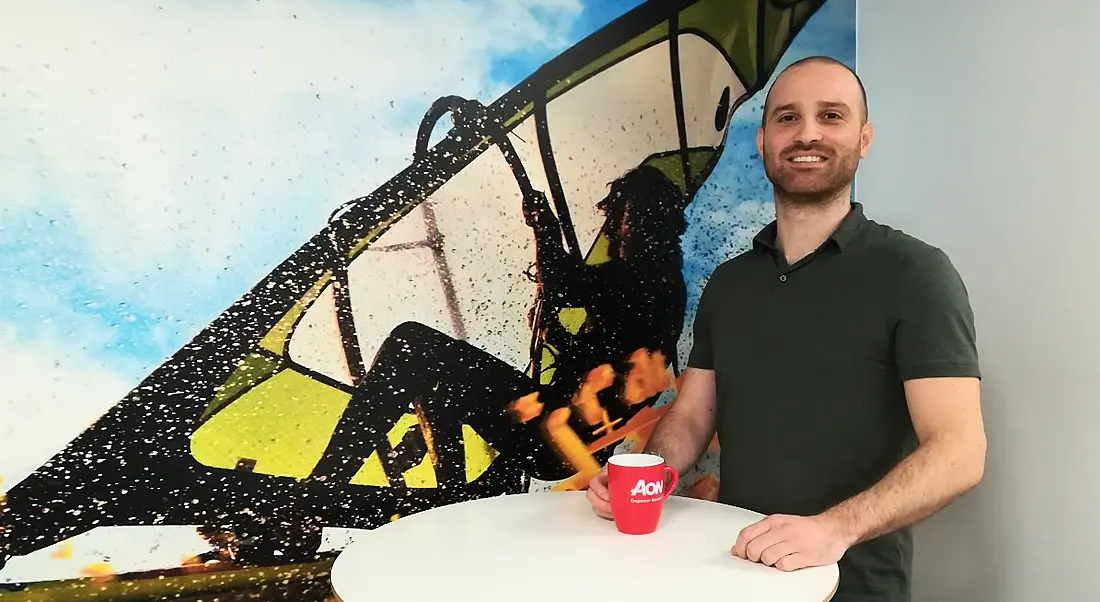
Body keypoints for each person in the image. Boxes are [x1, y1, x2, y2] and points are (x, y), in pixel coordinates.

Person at [584, 55, 987, 602]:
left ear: (864, 139)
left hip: (849, 586)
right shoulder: (729, 284)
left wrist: (834, 530)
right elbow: (693, 413)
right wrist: (642, 477)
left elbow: (959, 451)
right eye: (788, 117)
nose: (808, 134)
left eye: (832, 116)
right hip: (729, 574)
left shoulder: (916, 274)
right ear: (763, 140)